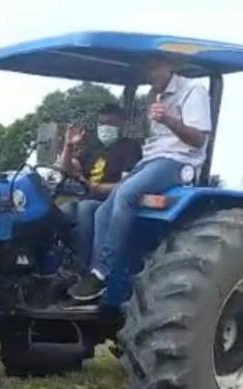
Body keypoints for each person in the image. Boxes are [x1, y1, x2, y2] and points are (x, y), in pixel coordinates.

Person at [68, 58, 213, 302]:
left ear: (170, 65)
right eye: (146, 68)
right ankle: (93, 275)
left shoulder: (193, 91)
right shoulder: (152, 95)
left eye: (153, 66)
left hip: (178, 161)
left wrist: (168, 119)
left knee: (126, 194)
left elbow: (199, 139)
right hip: (152, 159)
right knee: (102, 211)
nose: (149, 72)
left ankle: (102, 271)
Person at [55, 103, 142, 268]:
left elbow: (127, 184)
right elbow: (67, 168)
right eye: (101, 123)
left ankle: (85, 267)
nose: (104, 128)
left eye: (110, 123)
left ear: (121, 124)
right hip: (86, 196)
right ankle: (59, 265)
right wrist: (68, 145)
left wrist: (99, 189)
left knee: (85, 209)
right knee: (61, 210)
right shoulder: (94, 148)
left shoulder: (130, 148)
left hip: (112, 202)